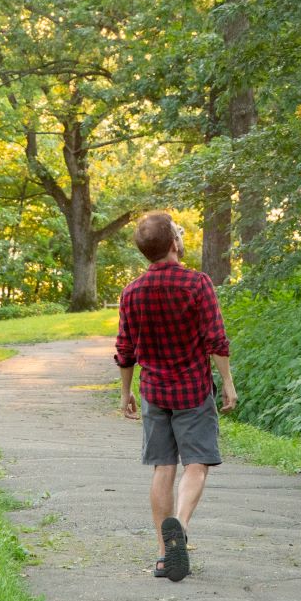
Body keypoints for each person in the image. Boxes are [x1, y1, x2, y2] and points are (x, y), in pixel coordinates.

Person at [113, 211, 237, 582]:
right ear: (173, 244)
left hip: (153, 393)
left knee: (162, 468)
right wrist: (228, 383)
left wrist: (125, 392)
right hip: (194, 392)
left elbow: (125, 349)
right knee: (196, 464)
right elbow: (216, 340)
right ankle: (179, 528)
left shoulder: (131, 292)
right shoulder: (197, 284)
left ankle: (165, 555)